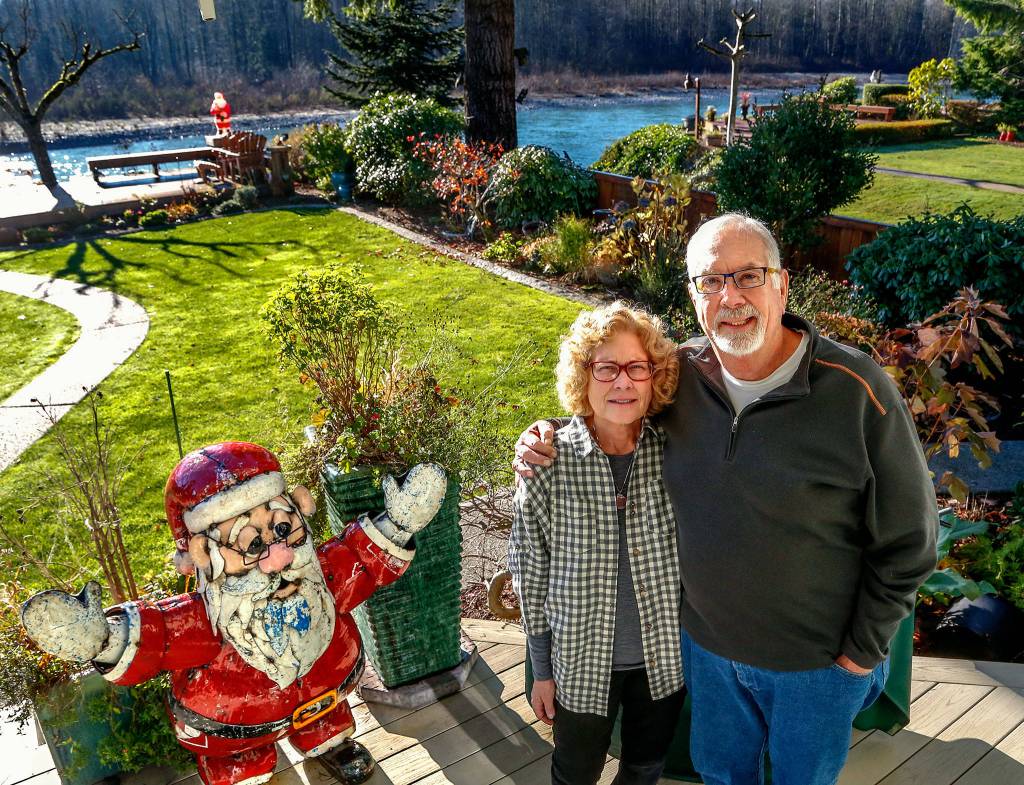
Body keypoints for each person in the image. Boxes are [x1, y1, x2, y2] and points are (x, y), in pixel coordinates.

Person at [515, 214, 937, 785]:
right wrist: (542, 435)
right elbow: (610, 407)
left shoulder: (857, 392)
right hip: (709, 657)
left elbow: (911, 544)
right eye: (711, 282)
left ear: (782, 284)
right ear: (693, 297)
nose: (730, 297)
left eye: (748, 276)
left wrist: (858, 656)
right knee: (722, 776)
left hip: (815, 665)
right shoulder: (678, 379)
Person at [508, 302, 686, 785]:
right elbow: (529, 570)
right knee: (575, 771)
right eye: (605, 368)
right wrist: (540, 668)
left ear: (656, 377)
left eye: (636, 368)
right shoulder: (548, 462)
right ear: (582, 377)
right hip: (580, 665)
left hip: (663, 660)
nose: (622, 382)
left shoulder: (677, 454)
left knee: (645, 767)